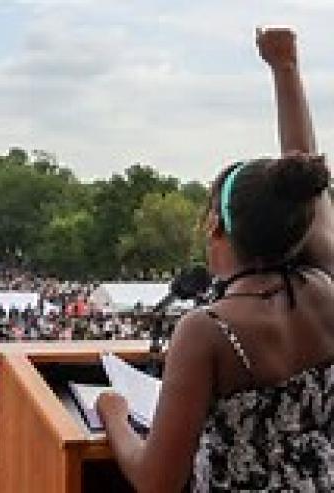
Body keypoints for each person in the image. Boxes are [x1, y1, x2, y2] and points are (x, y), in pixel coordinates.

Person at [97, 28, 334, 491]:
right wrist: (286, 70)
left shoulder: (208, 330)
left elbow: (155, 482)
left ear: (218, 229)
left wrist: (115, 416)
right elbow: (308, 178)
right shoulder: (324, 289)